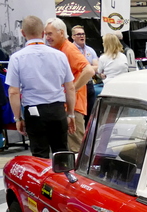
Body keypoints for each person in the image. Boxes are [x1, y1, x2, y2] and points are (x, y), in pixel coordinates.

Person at [6, 15, 76, 159]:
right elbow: (70, 87)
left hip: (34, 111)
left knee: (39, 154)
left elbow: (13, 91)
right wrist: (71, 113)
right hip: (57, 109)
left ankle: (42, 181)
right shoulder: (60, 55)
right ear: (43, 33)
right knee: (62, 152)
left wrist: (18, 118)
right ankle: (65, 178)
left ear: (23, 33)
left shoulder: (17, 58)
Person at [44, 18, 95, 153]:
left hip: (74, 107)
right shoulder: (62, 49)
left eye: (50, 34)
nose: (47, 37)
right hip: (68, 105)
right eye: (46, 34)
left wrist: (72, 89)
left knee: (76, 148)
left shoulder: (68, 49)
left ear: (61, 32)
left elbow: (89, 70)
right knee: (70, 148)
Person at [71, 25, 98, 126]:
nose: (81, 36)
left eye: (83, 34)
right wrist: (88, 68)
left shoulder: (90, 50)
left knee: (90, 114)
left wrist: (86, 69)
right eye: (78, 34)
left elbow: (97, 67)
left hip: (89, 85)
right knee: (79, 115)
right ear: (73, 36)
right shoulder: (71, 50)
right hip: (78, 85)